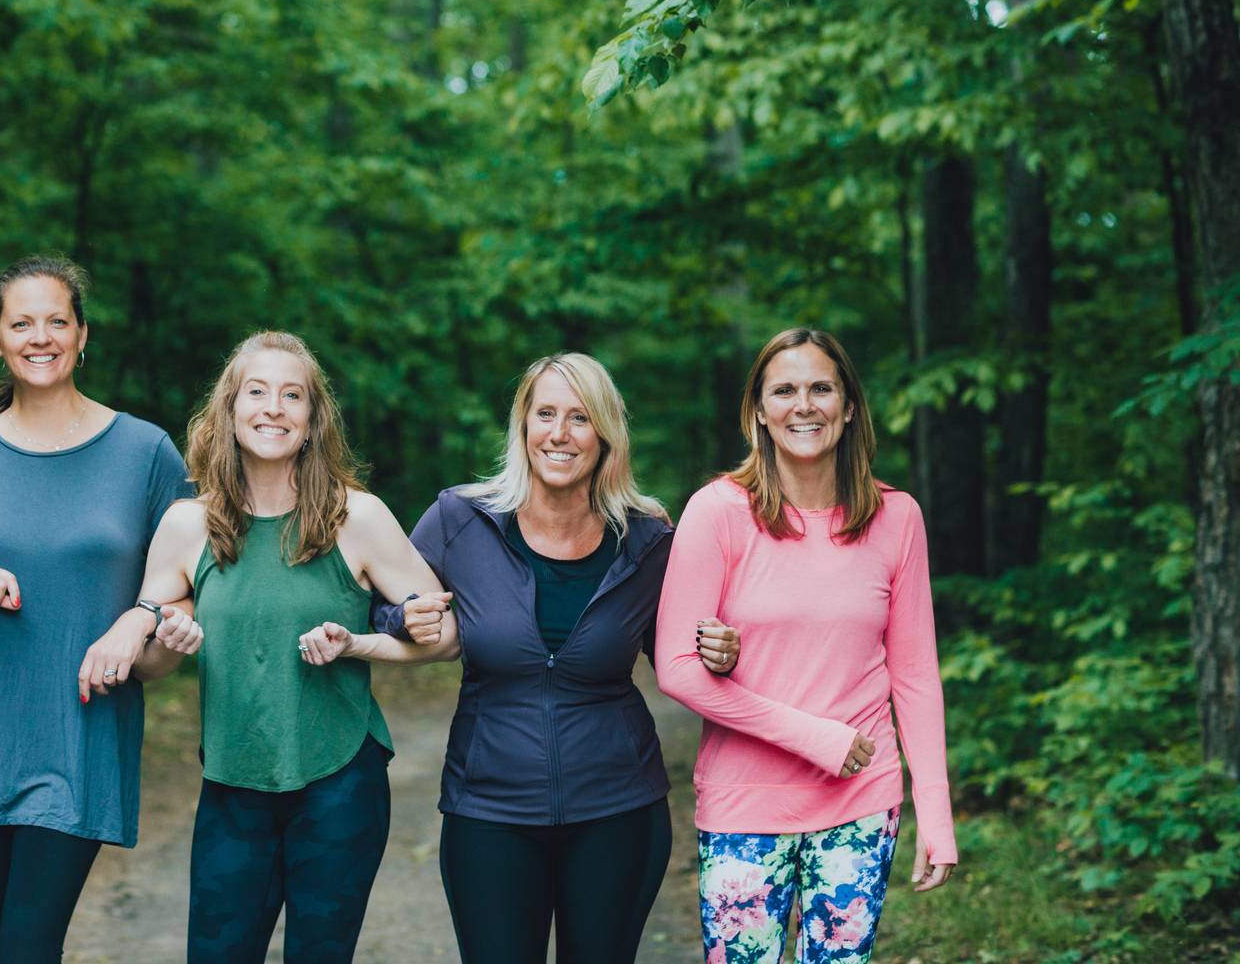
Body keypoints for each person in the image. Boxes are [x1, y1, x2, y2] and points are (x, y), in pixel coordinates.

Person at [0, 256, 197, 964]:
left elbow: (189, 582)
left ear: (84, 335)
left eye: (57, 320)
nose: (40, 336)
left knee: (27, 944)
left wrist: (146, 623)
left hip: (80, 729)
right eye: (21, 322)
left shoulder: (145, 453)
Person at [105, 330, 457, 964]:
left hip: (340, 783)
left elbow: (446, 637)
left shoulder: (360, 516)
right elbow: (150, 664)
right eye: (257, 392)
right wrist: (169, 640)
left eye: (292, 395)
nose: (273, 407)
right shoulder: (189, 523)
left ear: (313, 418)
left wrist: (358, 644)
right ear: (230, 410)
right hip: (232, 786)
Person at [378, 353, 740, 964]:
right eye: (545, 413)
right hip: (488, 810)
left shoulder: (648, 540)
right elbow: (380, 602)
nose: (560, 433)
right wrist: (402, 616)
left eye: (580, 418)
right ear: (523, 426)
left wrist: (721, 652)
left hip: (619, 809)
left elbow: (678, 653)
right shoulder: (460, 520)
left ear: (605, 435)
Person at [656, 327, 958, 964]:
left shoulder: (897, 517)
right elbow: (677, 669)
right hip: (744, 802)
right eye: (784, 390)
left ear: (848, 407)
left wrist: (935, 810)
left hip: (861, 802)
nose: (804, 405)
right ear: (759, 412)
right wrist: (816, 737)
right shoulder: (717, 511)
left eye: (822, 388)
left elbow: (915, 676)